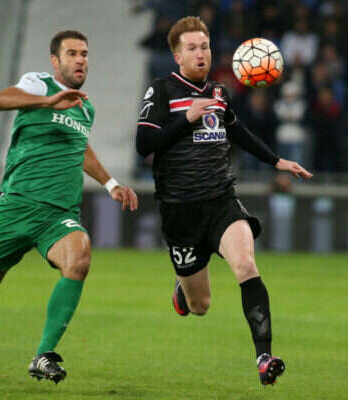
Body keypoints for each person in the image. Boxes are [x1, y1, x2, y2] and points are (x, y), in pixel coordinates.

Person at [0, 30, 138, 384]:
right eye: (72, 53)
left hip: (58, 215)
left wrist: (110, 183)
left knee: (80, 256)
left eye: (85, 53)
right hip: (17, 207)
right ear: (55, 61)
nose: (81, 60)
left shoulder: (85, 108)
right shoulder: (38, 84)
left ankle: (43, 354)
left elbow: (80, 148)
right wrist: (48, 101)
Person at [135, 16, 312, 386]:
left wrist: (276, 161)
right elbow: (144, 145)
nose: (201, 53)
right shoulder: (161, 91)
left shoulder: (219, 92)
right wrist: (186, 119)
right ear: (177, 56)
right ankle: (183, 291)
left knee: (246, 265)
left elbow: (238, 132)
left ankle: (264, 357)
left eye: (205, 46)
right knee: (200, 306)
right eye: (192, 48)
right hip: (180, 211)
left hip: (221, 201)